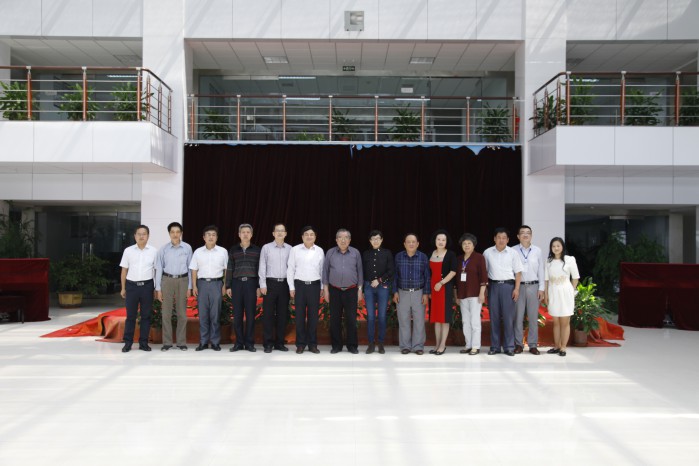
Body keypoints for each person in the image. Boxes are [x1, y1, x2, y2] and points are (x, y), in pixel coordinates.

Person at [483, 227, 523, 356]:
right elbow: (484, 273)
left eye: (504, 238)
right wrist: (484, 290)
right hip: (493, 286)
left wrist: (516, 289)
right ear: (494, 239)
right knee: (494, 317)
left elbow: (518, 273)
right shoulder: (487, 253)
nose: (501, 240)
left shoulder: (513, 253)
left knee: (508, 318)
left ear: (508, 240)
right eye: (499, 237)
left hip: (508, 287)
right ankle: (494, 347)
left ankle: (509, 347)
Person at [323, 229, 363, 354]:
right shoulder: (330, 253)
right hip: (334, 290)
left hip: (351, 290)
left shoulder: (355, 253)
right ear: (336, 240)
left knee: (351, 319)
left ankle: (352, 346)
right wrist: (326, 290)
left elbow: (360, 272)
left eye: (346, 237)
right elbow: (325, 272)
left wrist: (360, 290)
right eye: (340, 237)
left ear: (350, 240)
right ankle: (336, 346)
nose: (343, 240)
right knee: (335, 319)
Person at [155, 222, 193, 351]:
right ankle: (167, 342)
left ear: (181, 233)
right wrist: (158, 288)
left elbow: (190, 268)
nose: (175, 234)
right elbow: (159, 268)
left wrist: (190, 286)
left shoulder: (187, 248)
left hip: (183, 280)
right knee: (166, 313)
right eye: (172, 232)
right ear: (169, 233)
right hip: (167, 280)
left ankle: (181, 342)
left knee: (182, 313)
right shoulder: (163, 249)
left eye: (177, 232)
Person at [119, 225, 157, 353]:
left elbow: (157, 271)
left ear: (148, 236)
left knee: (146, 316)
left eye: (144, 234)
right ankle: (128, 343)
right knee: (131, 316)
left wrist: (156, 288)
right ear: (135, 236)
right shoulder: (128, 251)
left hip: (147, 286)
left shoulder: (154, 251)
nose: (141, 236)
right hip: (131, 286)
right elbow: (124, 270)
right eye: (139, 234)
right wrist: (123, 288)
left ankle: (143, 343)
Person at [189, 225, 228, 351]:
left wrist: (224, 285)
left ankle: (215, 342)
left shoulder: (223, 251)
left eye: (213, 235)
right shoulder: (198, 252)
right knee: (203, 314)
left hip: (217, 284)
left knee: (215, 314)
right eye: (208, 235)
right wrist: (194, 286)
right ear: (204, 237)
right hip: (202, 284)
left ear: (217, 237)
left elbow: (226, 270)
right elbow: (194, 270)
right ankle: (203, 342)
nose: (211, 237)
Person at [287, 225, 324, 354]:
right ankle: (300, 344)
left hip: (314, 286)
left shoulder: (319, 251)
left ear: (315, 237)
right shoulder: (295, 250)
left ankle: (312, 344)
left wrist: (322, 287)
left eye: (311, 234)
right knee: (299, 316)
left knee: (313, 317)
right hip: (300, 286)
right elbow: (290, 269)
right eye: (306, 234)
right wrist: (291, 287)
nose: (309, 236)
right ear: (302, 237)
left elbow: (322, 271)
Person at [393, 233, 431, 355]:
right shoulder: (399, 257)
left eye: (413, 242)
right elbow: (395, 276)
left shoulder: (423, 257)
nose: (411, 244)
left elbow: (427, 276)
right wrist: (395, 292)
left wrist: (426, 293)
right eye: (408, 242)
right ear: (404, 244)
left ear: (417, 244)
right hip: (402, 292)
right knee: (403, 321)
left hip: (418, 292)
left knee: (419, 321)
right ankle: (405, 346)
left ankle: (418, 346)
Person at [226, 223, 261, 352]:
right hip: (237, 284)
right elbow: (230, 268)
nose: (245, 234)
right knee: (237, 314)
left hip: (251, 284)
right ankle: (239, 343)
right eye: (243, 232)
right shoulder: (233, 250)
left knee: (251, 314)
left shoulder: (257, 250)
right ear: (239, 234)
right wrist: (228, 285)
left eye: (248, 232)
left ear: (251, 234)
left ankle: (249, 343)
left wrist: (259, 286)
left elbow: (260, 269)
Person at [259, 223, 292, 353]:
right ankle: (268, 343)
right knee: (268, 315)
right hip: (270, 284)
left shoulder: (290, 249)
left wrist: (291, 286)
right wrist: (262, 284)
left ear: (285, 234)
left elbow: (292, 268)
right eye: (277, 230)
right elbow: (262, 266)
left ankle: (279, 343)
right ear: (273, 233)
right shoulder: (266, 248)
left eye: (282, 231)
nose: (279, 233)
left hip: (284, 284)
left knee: (282, 315)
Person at [545, 237, 580, 357]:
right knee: (556, 322)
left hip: (566, 293)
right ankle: (557, 346)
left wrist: (571, 290)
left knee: (565, 322)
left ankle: (563, 347)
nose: (556, 248)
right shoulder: (548, 261)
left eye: (558, 246)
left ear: (562, 247)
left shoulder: (569, 259)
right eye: (553, 246)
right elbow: (546, 280)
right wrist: (546, 294)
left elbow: (575, 277)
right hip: (553, 292)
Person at [513, 225, 545, 355]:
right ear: (518, 236)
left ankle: (532, 345)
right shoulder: (513, 250)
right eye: (522, 233)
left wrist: (541, 288)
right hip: (519, 287)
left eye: (528, 233)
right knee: (518, 317)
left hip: (533, 286)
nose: (525, 235)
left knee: (533, 318)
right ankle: (518, 344)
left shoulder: (537, 250)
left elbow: (541, 270)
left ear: (531, 235)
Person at [362, 230, 394, 354]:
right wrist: (363, 288)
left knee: (381, 316)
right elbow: (363, 271)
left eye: (378, 238)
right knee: (370, 317)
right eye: (373, 239)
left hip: (382, 287)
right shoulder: (366, 254)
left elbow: (391, 271)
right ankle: (371, 343)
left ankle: (381, 343)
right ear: (370, 241)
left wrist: (379, 280)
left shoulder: (387, 253)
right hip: (369, 287)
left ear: (381, 240)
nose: (375, 241)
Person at [455, 233, 488, 355]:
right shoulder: (459, 259)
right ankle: (468, 345)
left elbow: (483, 277)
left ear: (474, 245)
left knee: (475, 321)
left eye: (469, 243)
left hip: (475, 295)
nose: (467, 245)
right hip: (462, 294)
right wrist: (456, 296)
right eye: (464, 243)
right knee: (465, 321)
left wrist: (482, 293)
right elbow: (456, 280)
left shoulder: (479, 258)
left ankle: (475, 346)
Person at [428, 230, 458, 355]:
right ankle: (436, 345)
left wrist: (441, 283)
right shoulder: (431, 253)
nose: (441, 242)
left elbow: (453, 271)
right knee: (436, 318)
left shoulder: (450, 254)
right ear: (435, 241)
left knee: (444, 318)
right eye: (438, 239)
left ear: (446, 242)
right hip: (433, 289)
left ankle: (442, 345)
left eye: (443, 240)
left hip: (444, 288)